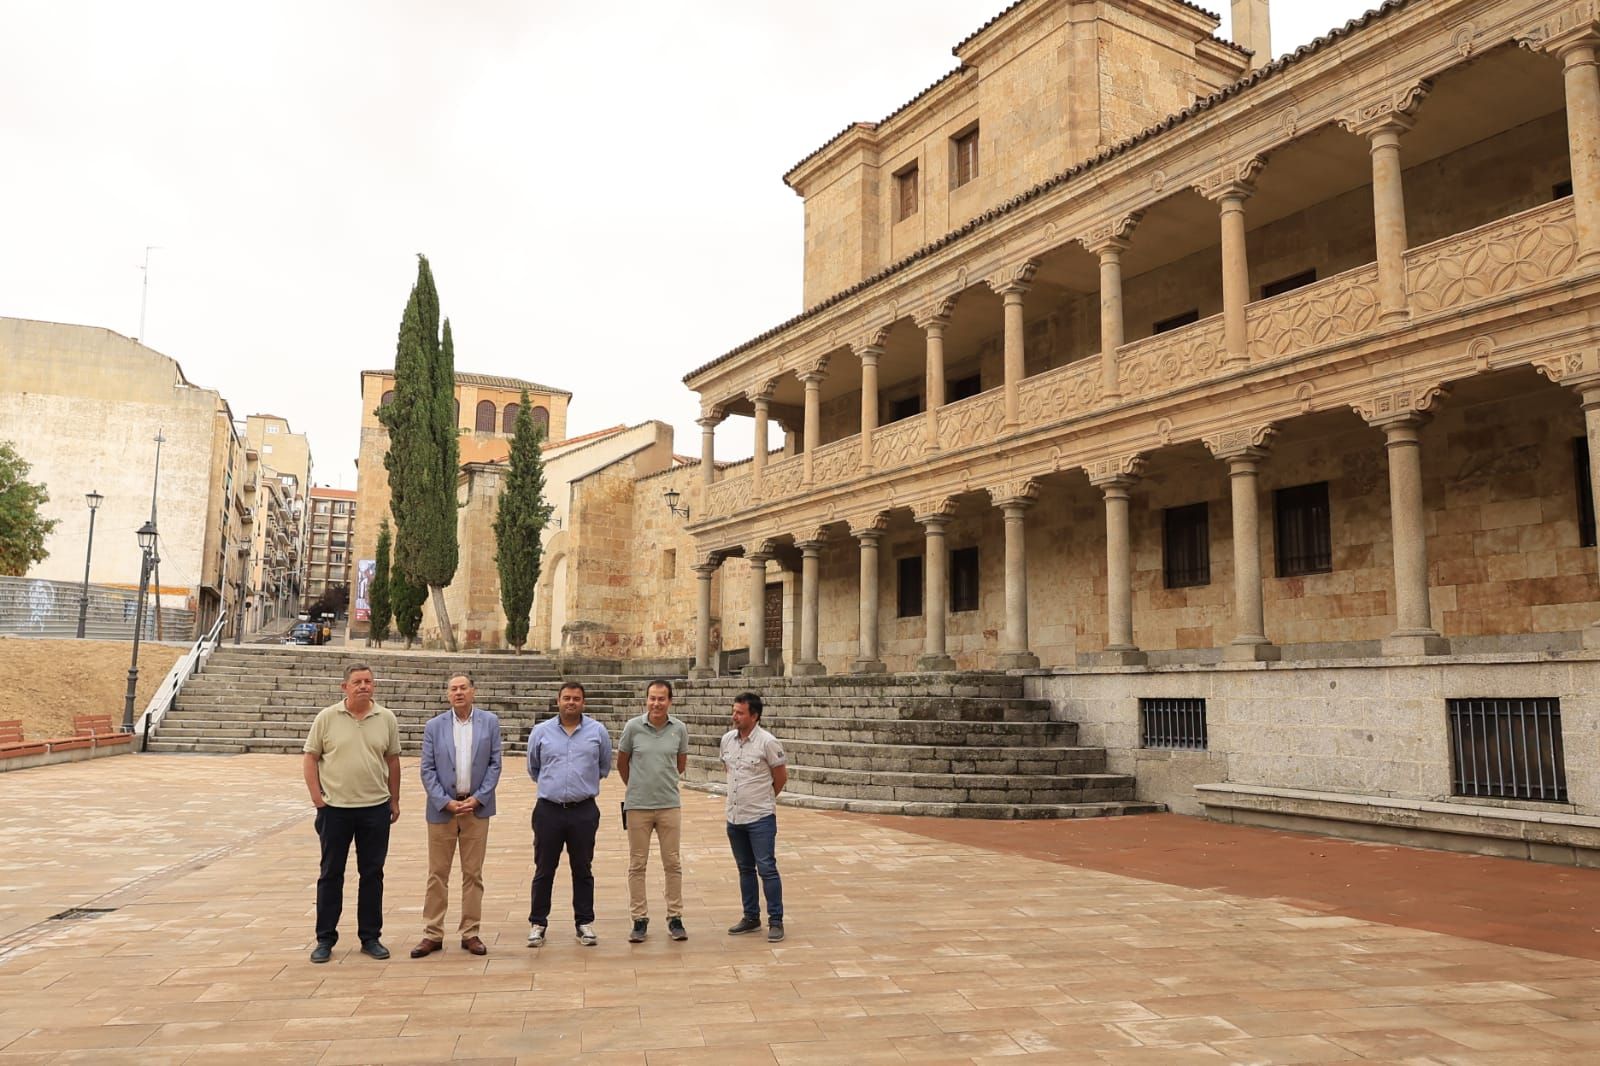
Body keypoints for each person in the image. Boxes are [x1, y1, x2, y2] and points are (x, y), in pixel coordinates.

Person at [302, 662, 401, 963]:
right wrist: (318, 800)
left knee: (372, 874)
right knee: (331, 874)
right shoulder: (327, 718)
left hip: (374, 809)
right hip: (335, 810)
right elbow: (310, 758)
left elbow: (393, 762)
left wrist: (394, 801)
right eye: (357, 681)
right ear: (344, 687)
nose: (363, 686)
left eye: (368, 681)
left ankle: (370, 937)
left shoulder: (386, 718)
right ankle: (325, 939)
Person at [412, 672, 503, 958]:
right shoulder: (434, 726)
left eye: (464, 688)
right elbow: (426, 769)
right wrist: (444, 801)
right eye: (453, 689)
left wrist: (479, 798)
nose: (459, 693)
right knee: (437, 874)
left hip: (476, 809)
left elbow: (494, 764)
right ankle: (432, 933)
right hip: (443, 810)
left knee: (472, 873)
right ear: (447, 694)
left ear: (473, 691)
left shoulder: (490, 722)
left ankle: (471, 932)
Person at [526, 680, 612, 947]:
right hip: (548, 810)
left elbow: (603, 766)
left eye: (576, 698)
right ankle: (538, 922)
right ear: (558, 701)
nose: (571, 702)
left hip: (583, 810)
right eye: (566, 698)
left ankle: (584, 922)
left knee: (583, 868)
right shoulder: (541, 732)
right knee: (544, 868)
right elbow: (534, 768)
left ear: (583, 702)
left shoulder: (598, 732)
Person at [617, 679, 690, 943]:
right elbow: (622, 763)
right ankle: (639, 919)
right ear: (646, 700)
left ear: (670, 701)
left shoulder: (679, 729)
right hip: (638, 806)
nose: (656, 703)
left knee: (673, 862)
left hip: (669, 804)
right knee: (637, 864)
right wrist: (637, 787)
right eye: (652, 698)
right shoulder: (633, 727)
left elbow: (679, 764)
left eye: (661, 699)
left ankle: (675, 917)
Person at [720, 691, 788, 943]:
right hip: (735, 817)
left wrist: (764, 800)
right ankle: (750, 916)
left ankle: (776, 920)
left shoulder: (768, 742)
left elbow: (780, 776)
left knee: (767, 868)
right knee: (744, 869)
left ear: (754, 716)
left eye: (740, 712)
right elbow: (728, 769)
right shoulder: (727, 740)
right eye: (734, 711)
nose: (734, 716)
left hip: (760, 817)